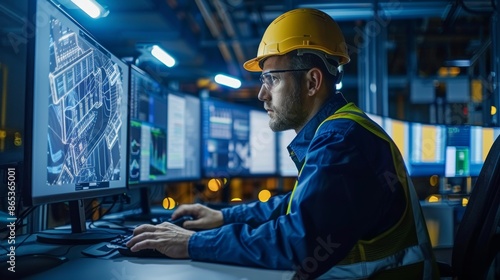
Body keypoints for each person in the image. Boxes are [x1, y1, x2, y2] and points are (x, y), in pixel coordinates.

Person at [126, 8, 439, 279]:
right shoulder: (341, 129)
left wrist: (191, 244)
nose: (262, 94)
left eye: (271, 79)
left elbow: (298, 241)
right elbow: (299, 207)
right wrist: (224, 217)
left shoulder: (342, 141)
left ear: (312, 82)